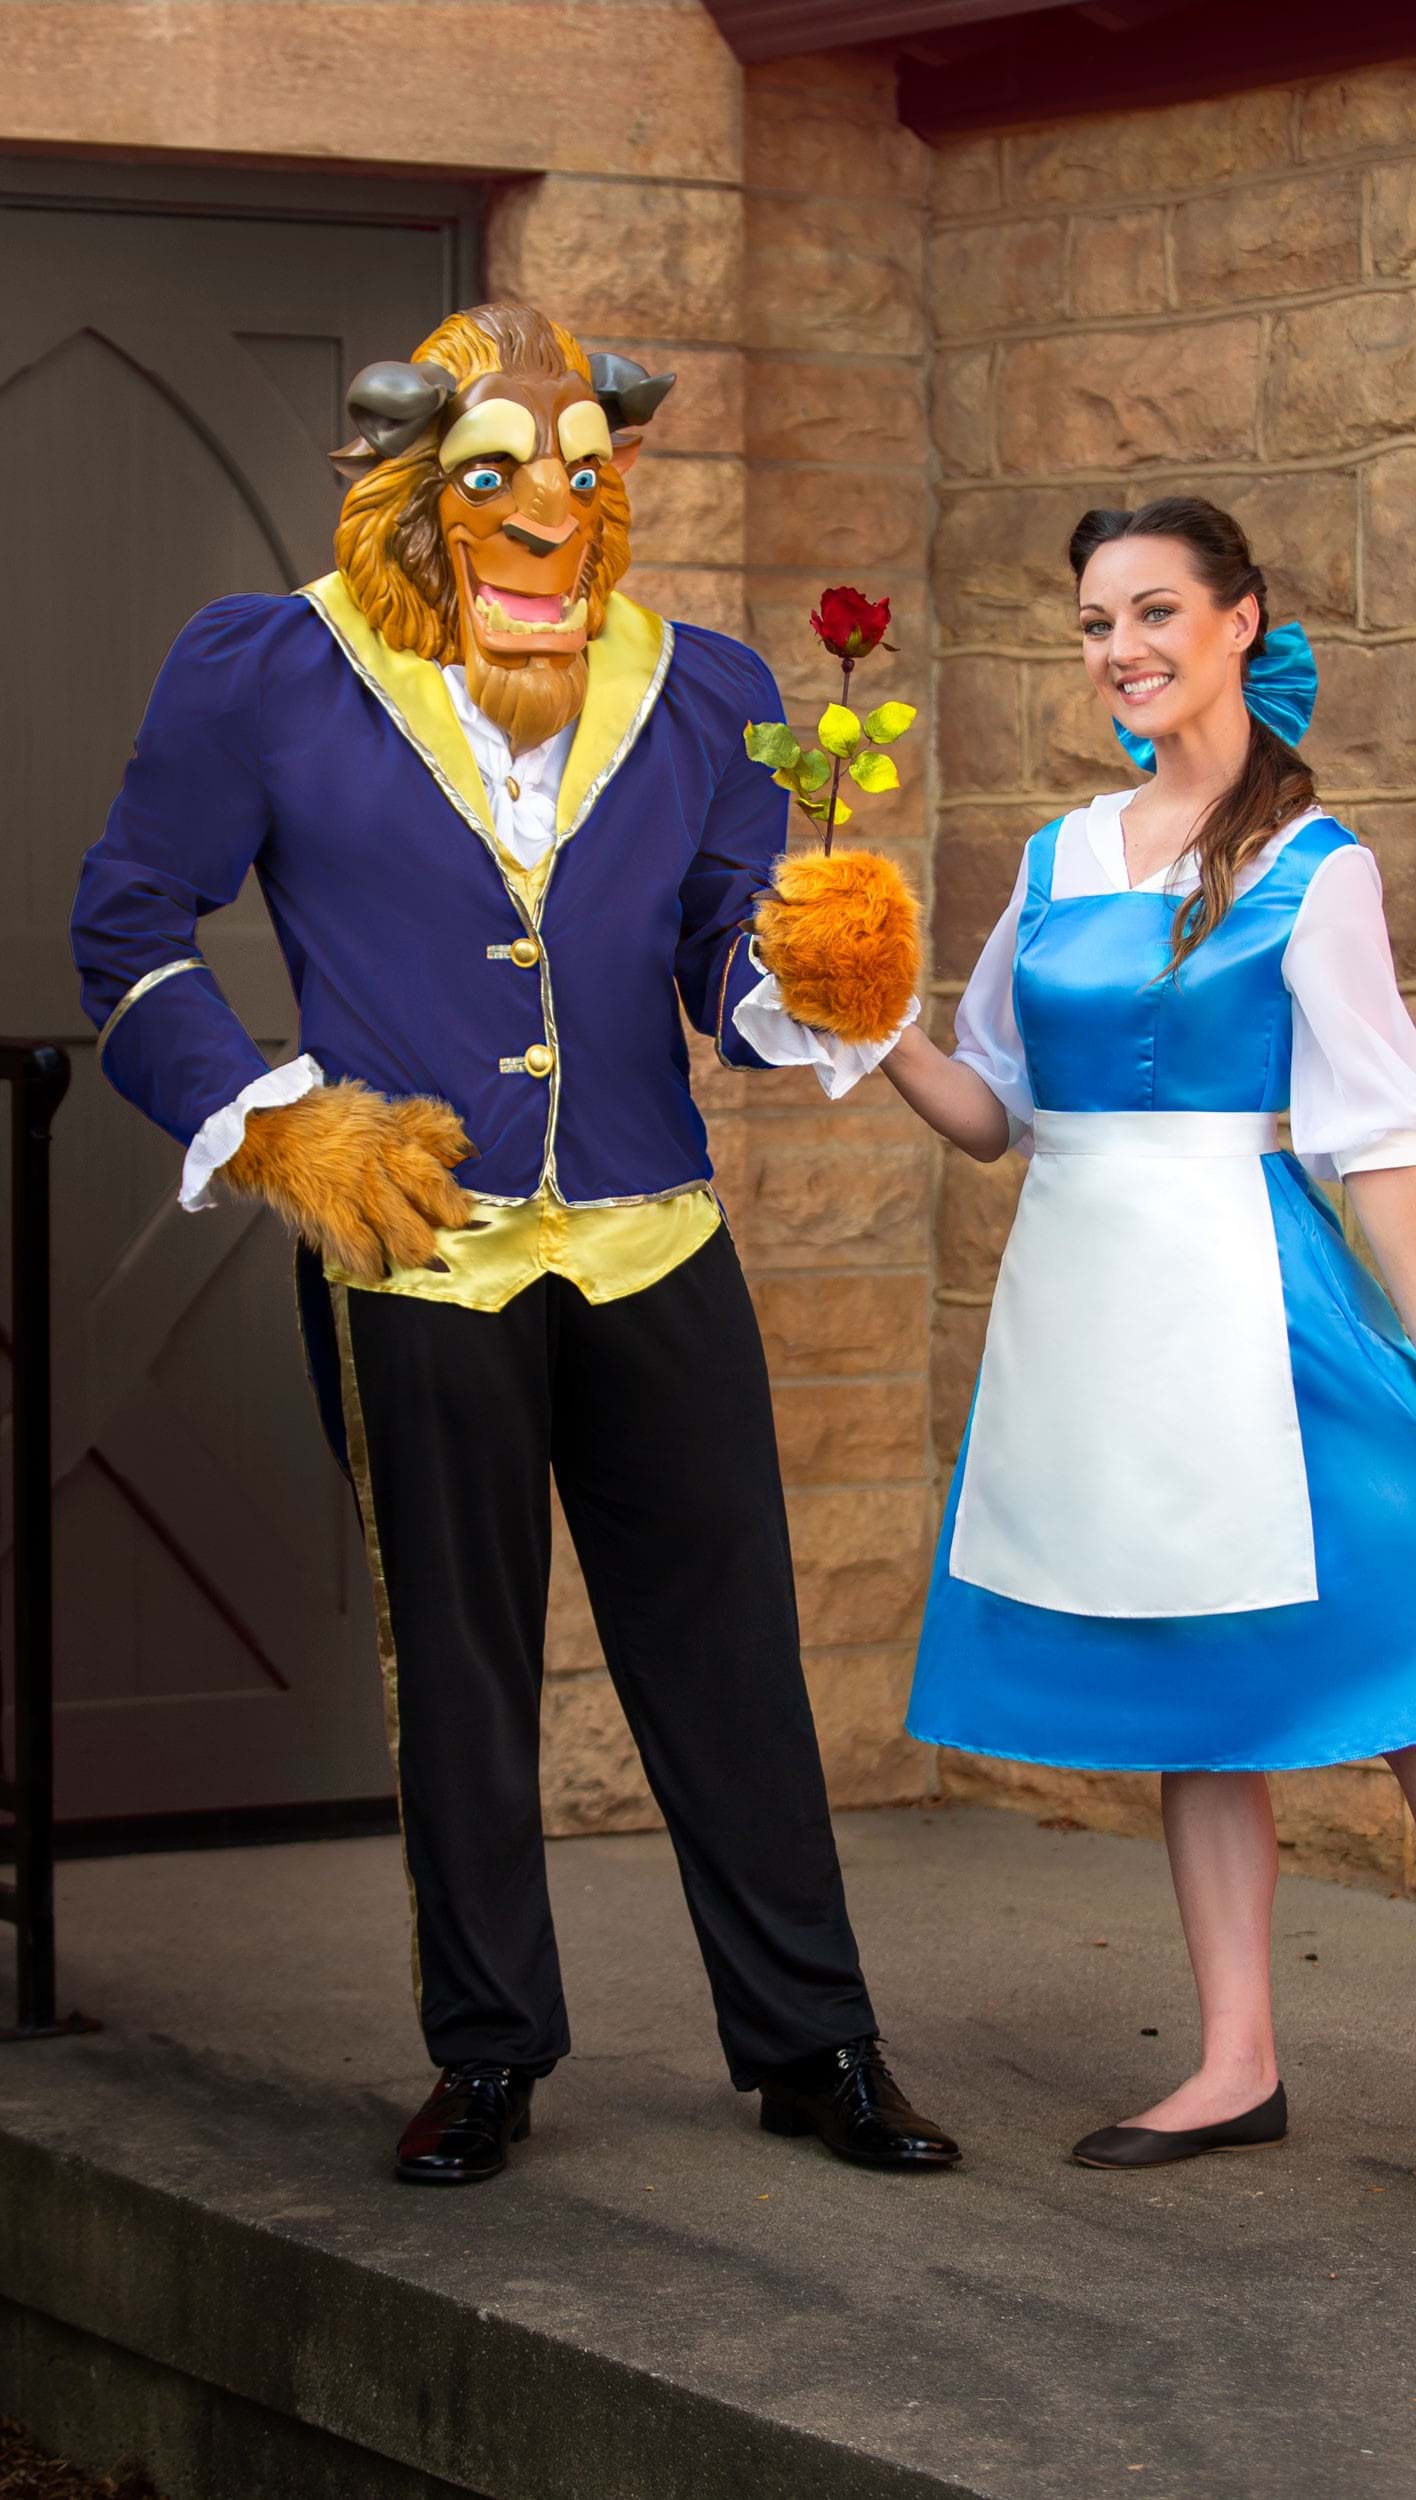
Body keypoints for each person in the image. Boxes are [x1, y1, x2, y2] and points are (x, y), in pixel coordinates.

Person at [71, 300, 957, 2184]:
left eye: (579, 476)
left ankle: (815, 2041)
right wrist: (273, 1121)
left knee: (730, 1655)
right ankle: (487, 2053)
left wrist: (810, 971)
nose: (546, 517)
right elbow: (129, 919)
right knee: (461, 1671)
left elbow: (724, 967)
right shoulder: (268, 667)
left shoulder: (705, 687)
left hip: (653, 1238)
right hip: (420, 1247)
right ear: (417, 488)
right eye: (496, 480)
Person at [742, 494, 1416, 2205]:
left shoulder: (1315, 868)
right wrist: (861, 1014)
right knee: (1196, 1692)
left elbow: (1376, 1136)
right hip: (1088, 1320)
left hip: (1264, 1306)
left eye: (1152, 612)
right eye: (1093, 623)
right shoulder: (1056, 859)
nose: (1118, 649)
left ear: (1238, 620)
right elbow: (992, 1114)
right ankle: (1234, 2060)